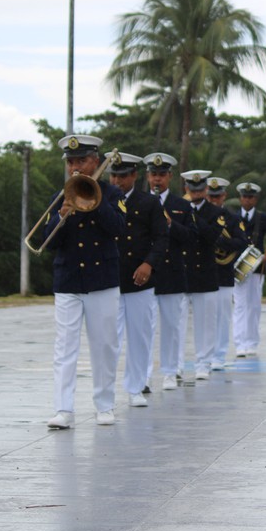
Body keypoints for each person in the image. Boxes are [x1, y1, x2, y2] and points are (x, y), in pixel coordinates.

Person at [45, 135, 127, 429]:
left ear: (96, 160)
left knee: (104, 345)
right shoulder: (61, 195)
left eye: (81, 160)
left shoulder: (112, 193)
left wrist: (94, 202)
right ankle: (63, 409)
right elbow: (47, 242)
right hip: (68, 280)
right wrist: (62, 215)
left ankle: (104, 405)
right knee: (64, 347)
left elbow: (118, 227)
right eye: (71, 162)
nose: (75, 167)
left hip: (102, 280)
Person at [109, 152, 168, 408]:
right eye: (113, 175)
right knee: (109, 339)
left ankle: (135, 387)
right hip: (108, 278)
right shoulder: (101, 199)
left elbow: (161, 238)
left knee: (140, 336)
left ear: (134, 176)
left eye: (123, 176)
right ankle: (106, 392)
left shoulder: (149, 203)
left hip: (139, 278)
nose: (117, 181)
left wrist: (149, 263)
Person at [144, 152, 195, 391]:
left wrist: (171, 224)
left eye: (161, 175)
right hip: (146, 273)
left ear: (170, 176)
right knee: (143, 328)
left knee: (172, 326)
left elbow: (190, 238)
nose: (157, 179)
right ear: (147, 176)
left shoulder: (181, 205)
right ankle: (142, 376)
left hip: (173, 272)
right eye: (153, 175)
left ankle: (170, 371)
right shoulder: (141, 202)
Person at [180, 170, 227, 380]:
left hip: (205, 273)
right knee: (177, 325)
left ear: (205, 190)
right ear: (186, 189)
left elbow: (211, 237)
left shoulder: (216, 212)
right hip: (182, 272)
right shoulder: (178, 207)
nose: (196, 193)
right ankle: (177, 364)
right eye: (192, 189)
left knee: (206, 324)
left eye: (200, 189)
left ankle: (203, 363)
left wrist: (192, 217)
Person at [206, 177, 249, 369]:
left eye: (217, 196)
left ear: (224, 196)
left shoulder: (232, 218)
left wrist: (220, 242)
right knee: (204, 318)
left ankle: (219, 356)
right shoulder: (198, 215)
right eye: (211, 196)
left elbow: (242, 243)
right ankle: (205, 356)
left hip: (223, 272)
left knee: (222, 317)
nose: (214, 200)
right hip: (202, 272)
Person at [233, 182, 266, 357]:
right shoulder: (233, 217)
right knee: (239, 306)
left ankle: (251, 342)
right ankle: (239, 344)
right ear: (240, 198)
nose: (247, 199)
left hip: (257, 266)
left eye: (250, 197)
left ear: (256, 199)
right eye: (244, 196)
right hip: (239, 267)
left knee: (254, 306)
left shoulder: (263, 218)